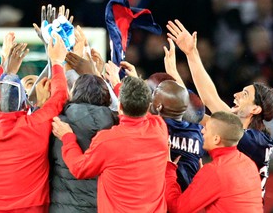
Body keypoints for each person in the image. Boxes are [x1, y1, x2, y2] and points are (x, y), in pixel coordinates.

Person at [167, 20, 273, 196]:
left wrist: (191, 53)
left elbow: (210, 99)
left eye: (244, 94)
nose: (236, 95)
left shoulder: (257, 141)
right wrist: (175, 75)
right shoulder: (241, 135)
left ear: (255, 109)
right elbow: (196, 113)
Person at [0, 34, 68, 213]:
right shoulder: (35, 124)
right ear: (25, 103)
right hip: (32, 208)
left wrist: (5, 66)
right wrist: (57, 62)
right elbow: (60, 96)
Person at [51, 76, 168, 213]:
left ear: (120, 106)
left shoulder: (107, 140)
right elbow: (143, 113)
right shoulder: (160, 127)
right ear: (148, 106)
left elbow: (79, 168)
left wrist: (67, 137)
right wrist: (118, 86)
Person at [165, 111, 263, 212]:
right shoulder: (249, 163)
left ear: (216, 139)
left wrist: (169, 171)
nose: (202, 131)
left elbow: (177, 208)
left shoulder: (215, 171)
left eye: (206, 129)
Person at [49, 74, 118, 213]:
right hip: (105, 206)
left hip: (65, 207)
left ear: (74, 93)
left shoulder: (58, 124)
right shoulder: (118, 125)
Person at [150, 80, 204, 190]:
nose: (152, 94)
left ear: (159, 106)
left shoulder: (152, 127)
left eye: (155, 92)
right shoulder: (200, 132)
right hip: (189, 195)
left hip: (160, 194)